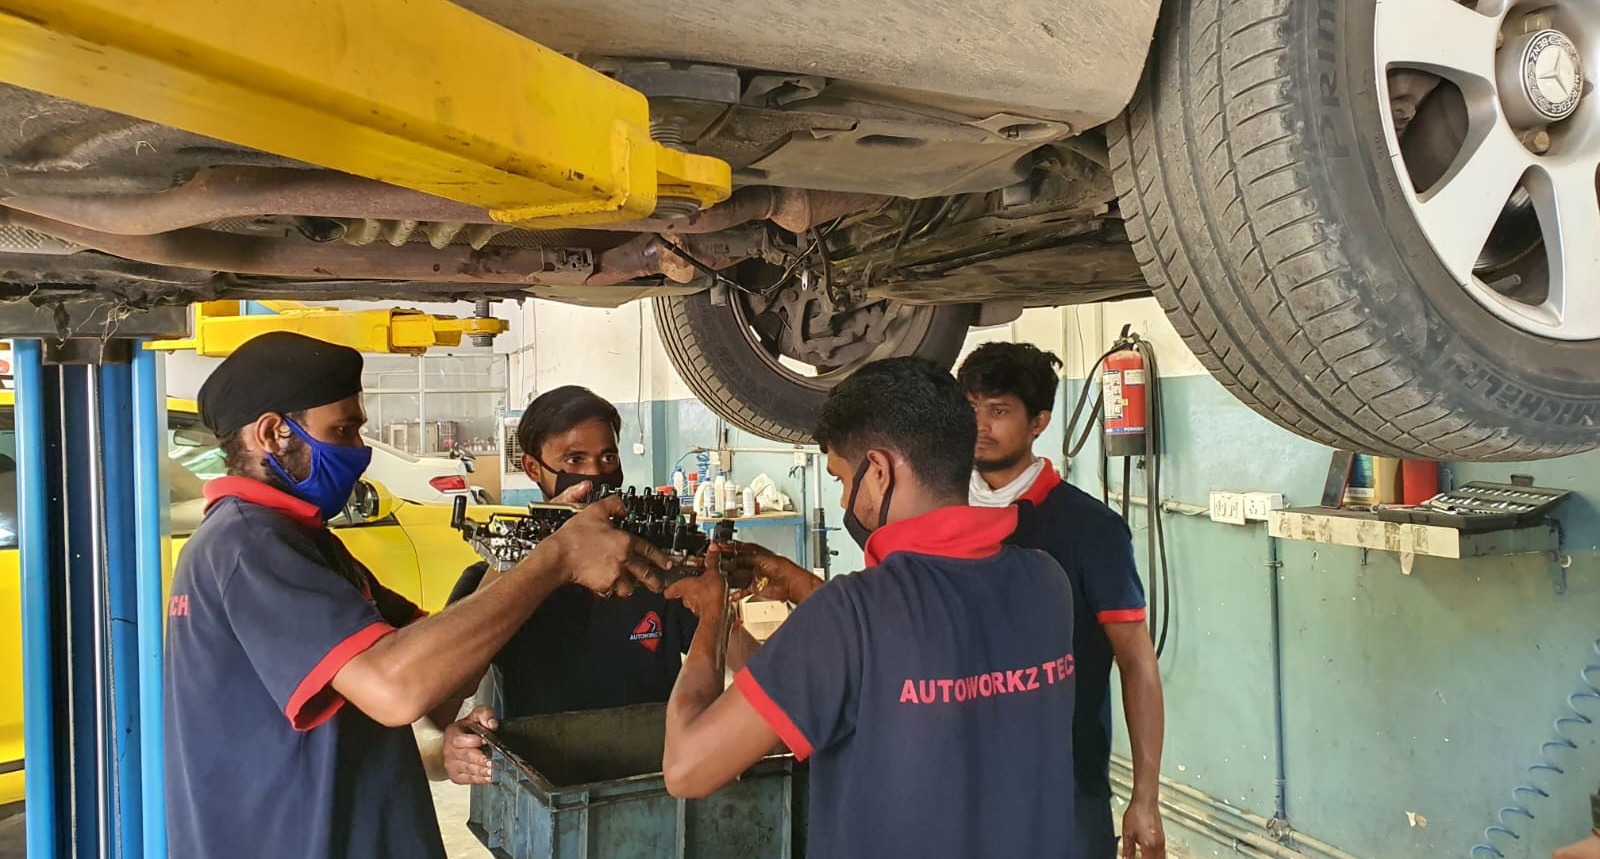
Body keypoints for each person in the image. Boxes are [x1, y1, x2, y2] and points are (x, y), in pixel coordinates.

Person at [164, 333, 669, 859]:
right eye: (343, 430)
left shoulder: (309, 545)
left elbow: (442, 677)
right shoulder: (248, 544)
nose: (359, 450)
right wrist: (557, 559)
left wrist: (541, 543)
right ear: (272, 433)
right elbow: (397, 689)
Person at [662, 356, 1083, 857]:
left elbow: (687, 768)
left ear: (879, 471)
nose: (844, 501)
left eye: (843, 479)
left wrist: (711, 617)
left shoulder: (850, 614)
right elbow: (845, 686)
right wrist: (736, 621)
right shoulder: (1046, 581)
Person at [958, 341, 1167, 858]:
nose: (979, 425)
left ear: (1039, 422)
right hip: (956, 778)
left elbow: (1137, 660)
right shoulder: (940, 518)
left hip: (1064, 785)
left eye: (999, 410)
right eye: (969, 409)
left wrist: (1146, 797)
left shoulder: (1090, 529)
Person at [438, 386, 700, 785]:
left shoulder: (656, 573)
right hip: (549, 789)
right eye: (575, 459)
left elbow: (739, 661)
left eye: (608, 457)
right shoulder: (491, 582)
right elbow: (440, 700)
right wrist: (449, 749)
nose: (595, 474)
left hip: (651, 780)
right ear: (532, 468)